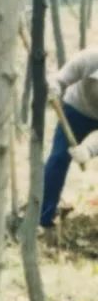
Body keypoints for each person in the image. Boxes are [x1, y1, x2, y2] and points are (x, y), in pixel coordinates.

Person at [39, 48, 98, 227]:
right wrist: (54, 89)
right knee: (58, 158)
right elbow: (59, 78)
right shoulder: (90, 58)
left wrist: (89, 149)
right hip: (76, 109)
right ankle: (44, 217)